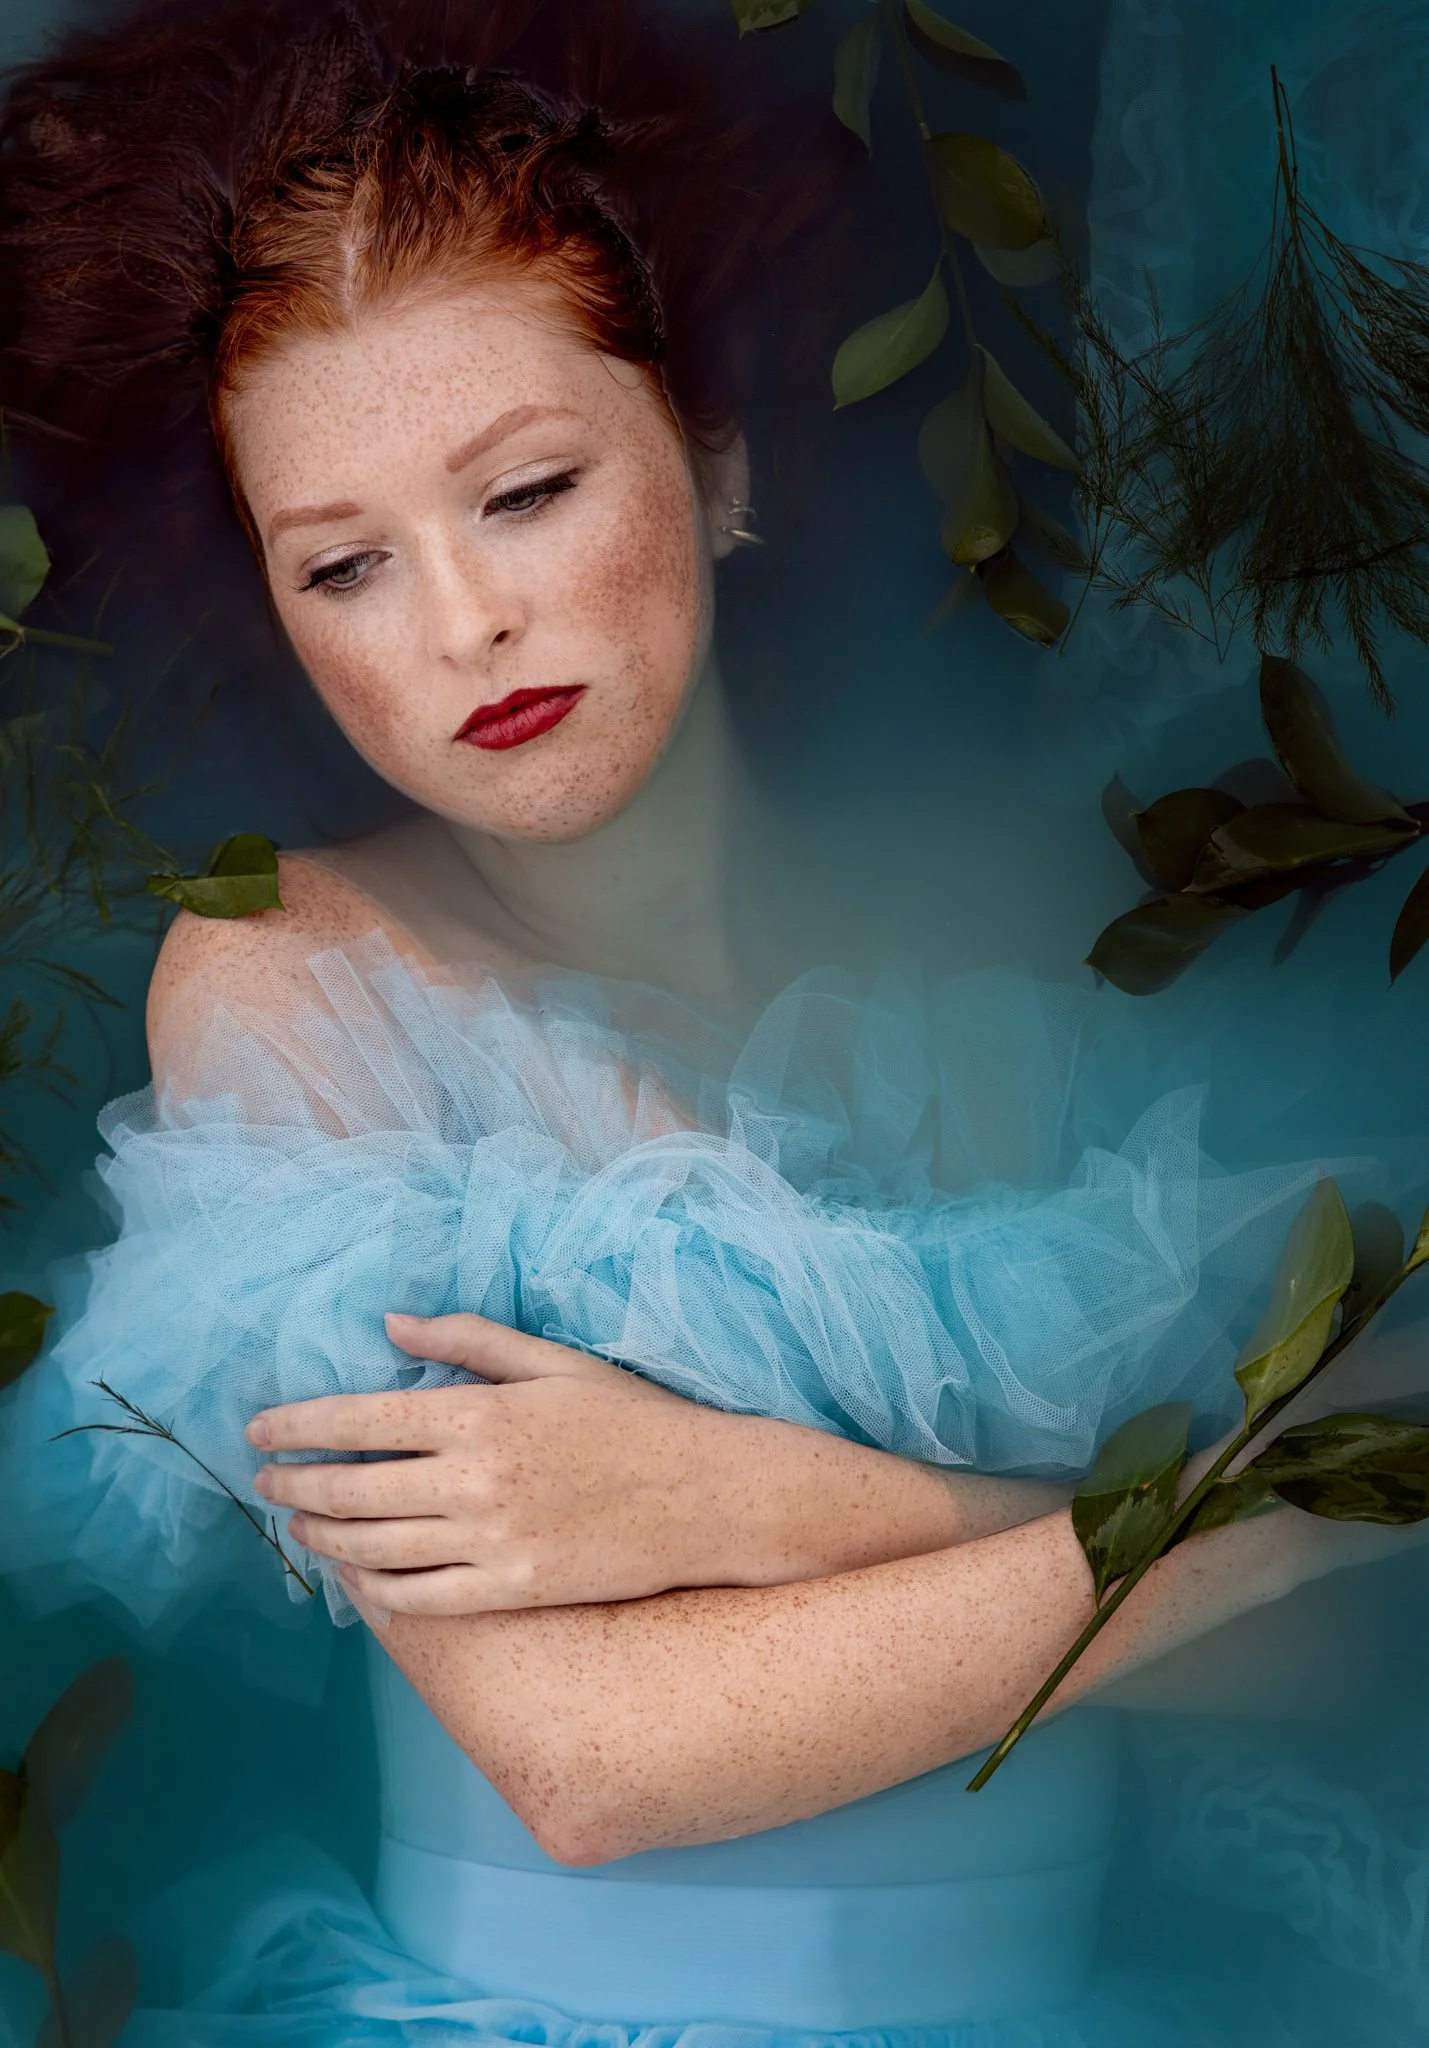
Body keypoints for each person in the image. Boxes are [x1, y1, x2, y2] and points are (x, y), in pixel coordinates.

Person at [3, 0, 1429, 2042]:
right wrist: (1272, 1519)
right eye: (342, 567)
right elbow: (595, 1761)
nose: (461, 623)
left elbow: (1354, 1663)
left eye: (525, 490)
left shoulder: (1019, 932)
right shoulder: (298, 980)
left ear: (717, 450)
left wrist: (767, 1504)